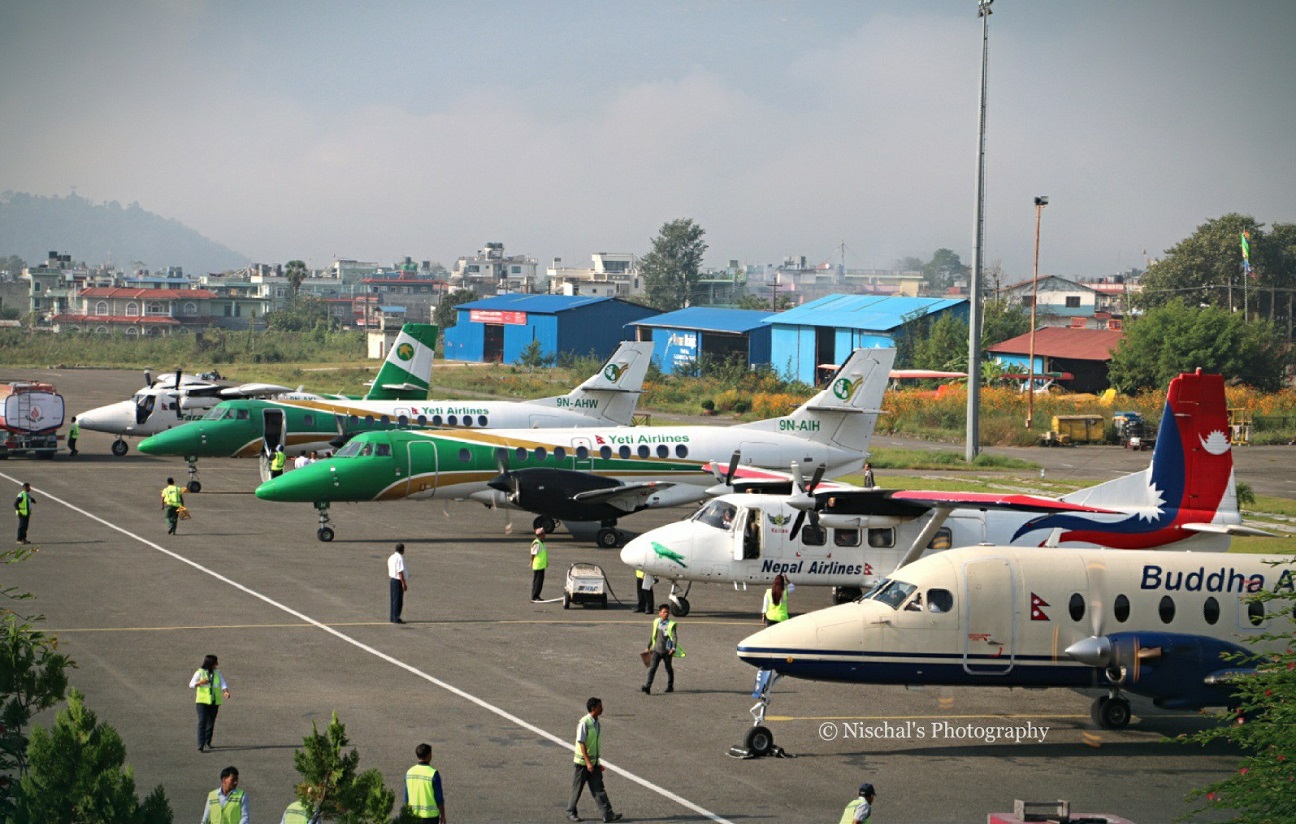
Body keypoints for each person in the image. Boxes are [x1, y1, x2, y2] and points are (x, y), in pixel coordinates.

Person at [567, 697, 621, 823]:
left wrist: (597, 762)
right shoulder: (584, 723)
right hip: (582, 763)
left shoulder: (596, 722)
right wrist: (587, 762)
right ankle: (570, 812)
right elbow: (582, 743)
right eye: (600, 706)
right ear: (593, 708)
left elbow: (593, 745)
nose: (602, 708)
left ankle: (607, 814)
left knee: (599, 789)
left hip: (593, 763)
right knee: (577, 788)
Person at [190, 653, 230, 752]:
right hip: (202, 701)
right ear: (210, 663)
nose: (217, 664)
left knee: (211, 722)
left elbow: (222, 682)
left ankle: (208, 742)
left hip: (214, 701)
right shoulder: (200, 672)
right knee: (202, 721)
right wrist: (200, 683)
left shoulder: (217, 672)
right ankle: (200, 744)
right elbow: (191, 684)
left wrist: (225, 691)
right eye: (216, 662)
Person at [642, 604, 682, 695]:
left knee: (668, 668)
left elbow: (674, 637)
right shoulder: (657, 622)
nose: (666, 614)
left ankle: (670, 686)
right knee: (652, 668)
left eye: (667, 612)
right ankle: (648, 687)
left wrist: (673, 648)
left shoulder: (671, 625)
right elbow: (653, 635)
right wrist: (648, 647)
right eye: (664, 612)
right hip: (656, 650)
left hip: (667, 652)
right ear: (659, 613)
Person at [404, 742, 447, 822]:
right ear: (428, 756)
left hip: (413, 816)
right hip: (430, 818)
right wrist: (443, 816)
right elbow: (439, 798)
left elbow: (406, 798)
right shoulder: (433, 773)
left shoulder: (409, 772)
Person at [389, 542, 408, 623]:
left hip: (392, 579)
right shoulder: (399, 558)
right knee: (398, 600)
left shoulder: (391, 557)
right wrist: (403, 583)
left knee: (393, 600)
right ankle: (396, 618)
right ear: (402, 550)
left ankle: (392, 617)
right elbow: (400, 571)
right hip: (398, 580)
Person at [529, 527, 548, 602]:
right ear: (541, 535)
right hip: (538, 565)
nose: (545, 535)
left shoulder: (541, 542)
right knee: (537, 582)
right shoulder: (537, 543)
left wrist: (546, 562)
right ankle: (534, 596)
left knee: (540, 582)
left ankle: (537, 595)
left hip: (541, 565)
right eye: (544, 533)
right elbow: (533, 554)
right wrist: (531, 561)